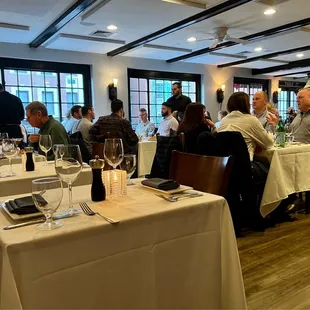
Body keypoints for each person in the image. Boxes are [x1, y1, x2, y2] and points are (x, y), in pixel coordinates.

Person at [218, 92, 274, 162]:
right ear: (246, 105)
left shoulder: (223, 121)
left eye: (257, 99)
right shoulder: (251, 120)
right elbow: (268, 144)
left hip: (223, 166)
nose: (253, 102)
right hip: (244, 167)